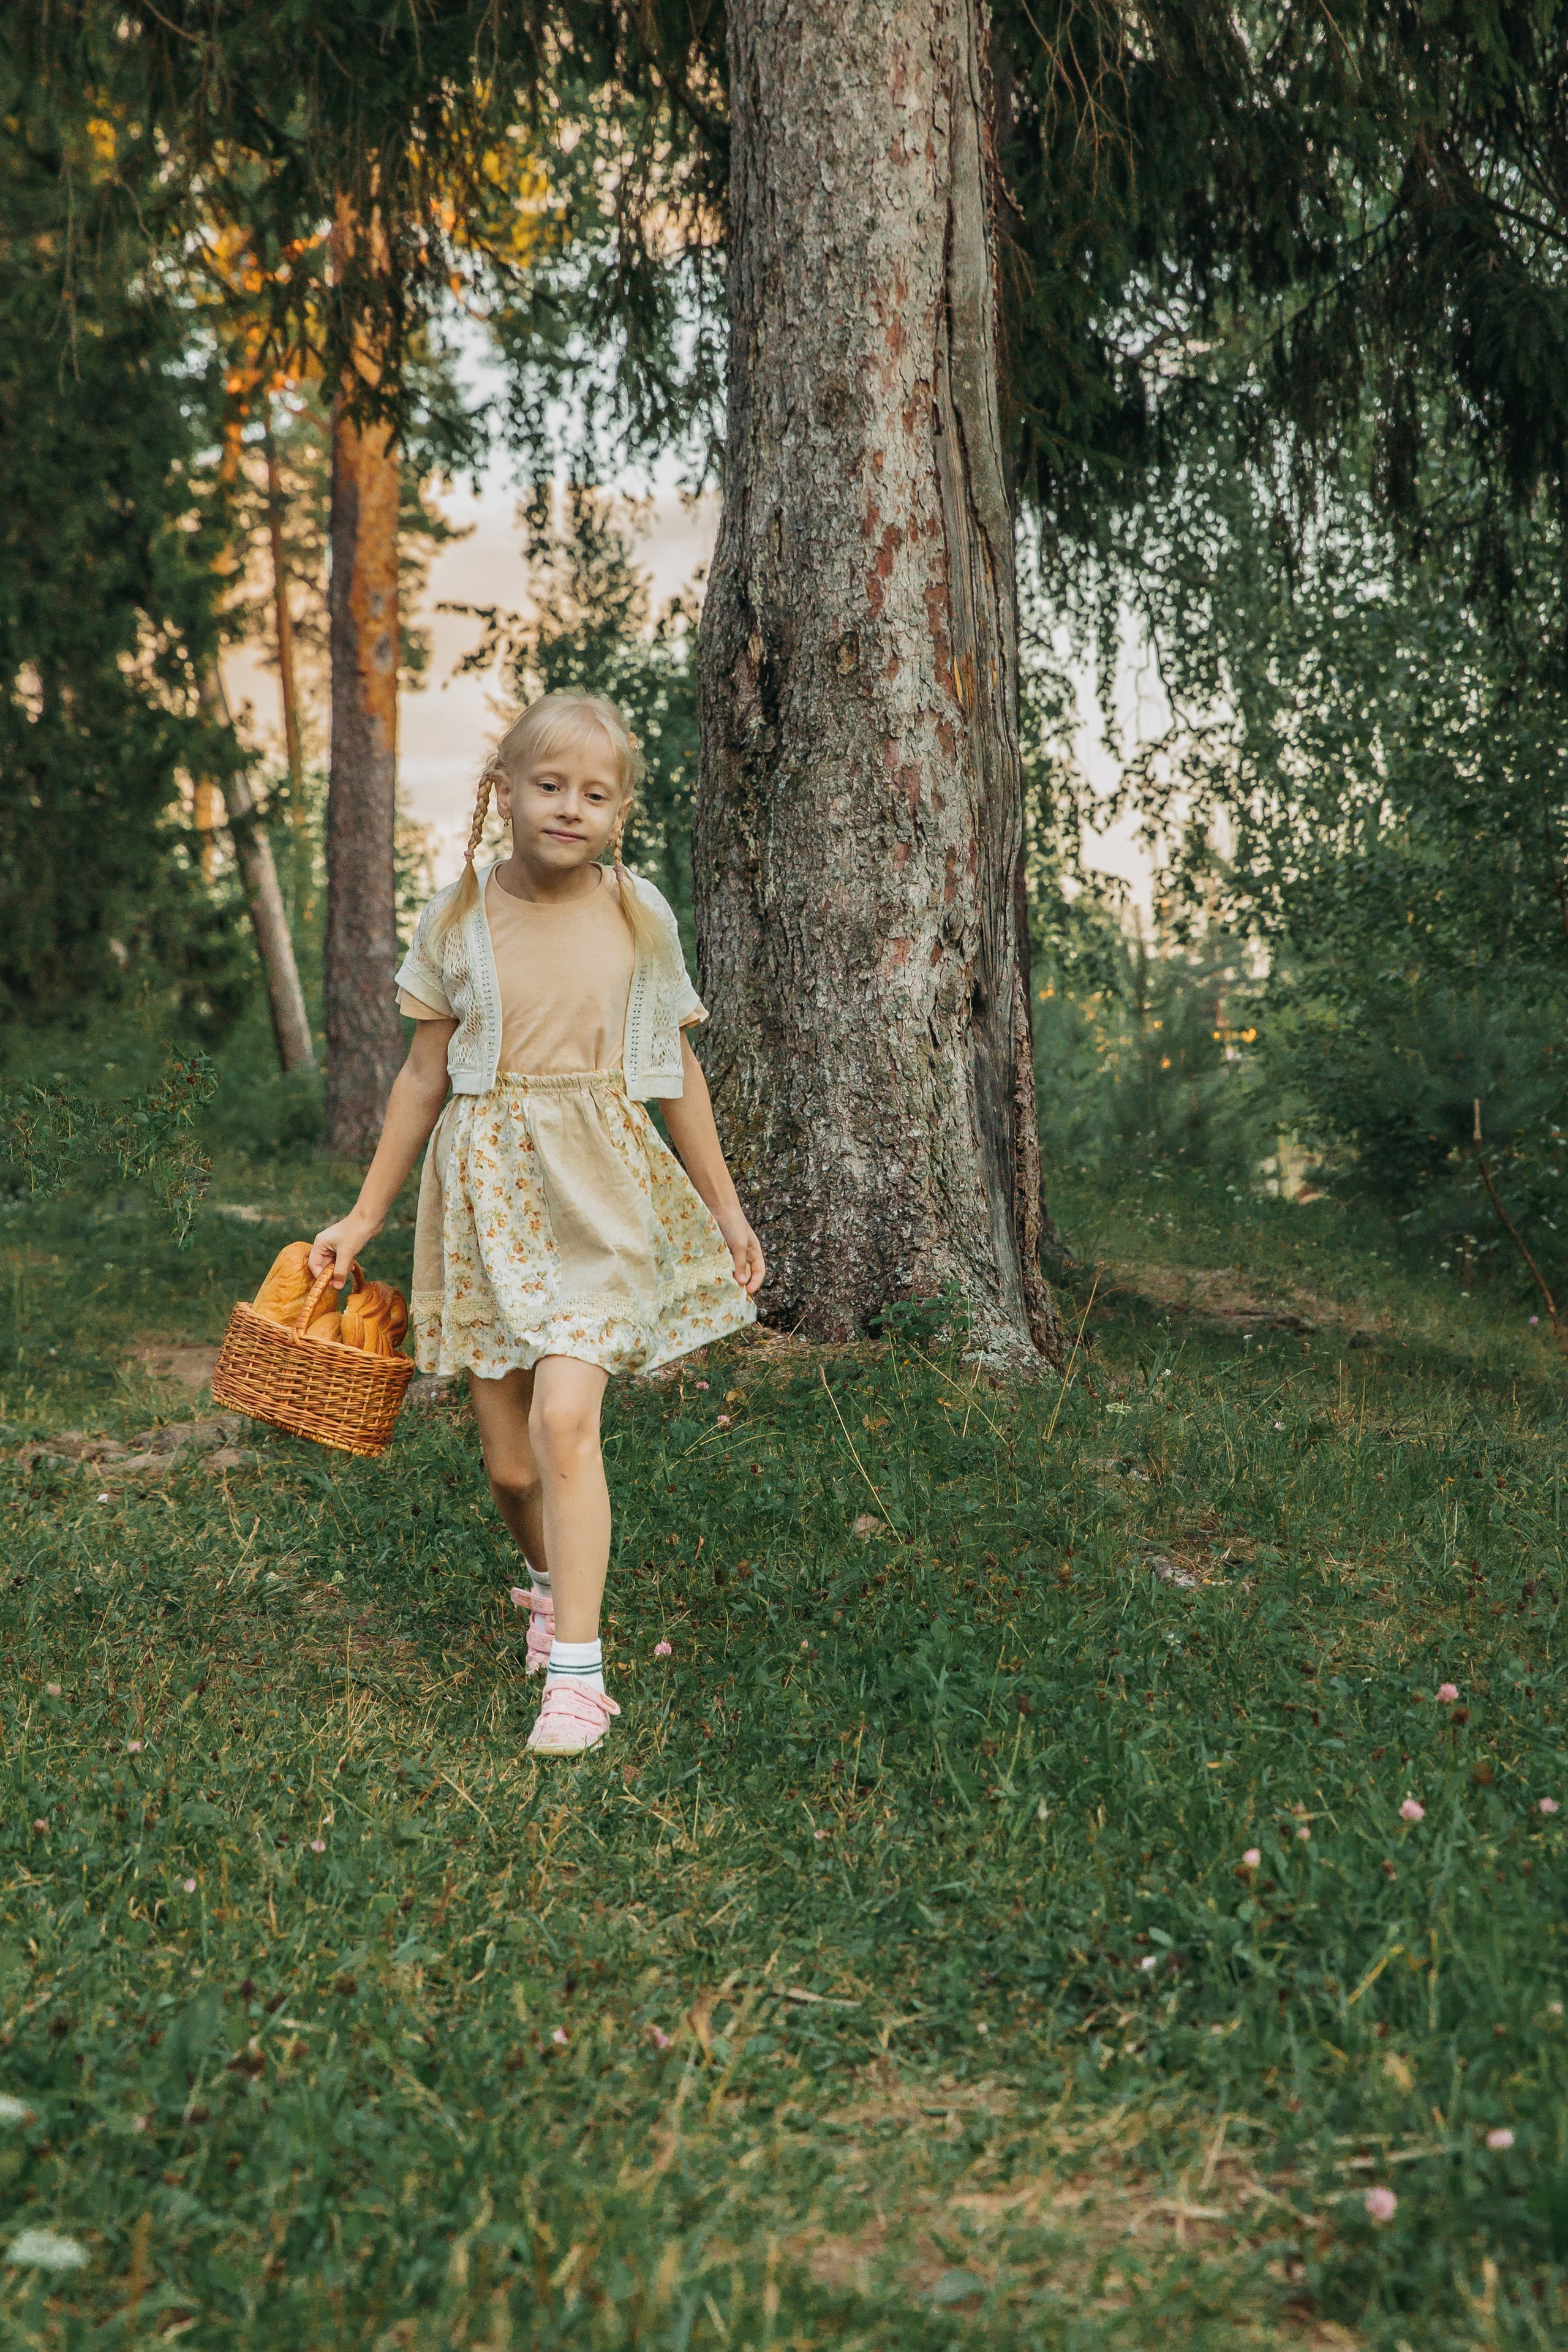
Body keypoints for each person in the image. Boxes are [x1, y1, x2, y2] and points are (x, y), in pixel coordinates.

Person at [309, 691, 764, 1755]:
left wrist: (727, 1207)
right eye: (549, 785)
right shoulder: (458, 916)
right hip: (488, 1200)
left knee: (567, 1421)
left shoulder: (638, 913)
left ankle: (578, 1679)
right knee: (513, 1469)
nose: (569, 808)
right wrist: (365, 1214)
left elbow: (674, 1067)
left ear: (619, 815)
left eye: (594, 795)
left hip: (601, 1190)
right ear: (503, 791)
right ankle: (551, 1589)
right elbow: (422, 1077)